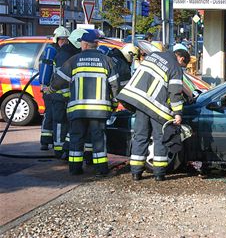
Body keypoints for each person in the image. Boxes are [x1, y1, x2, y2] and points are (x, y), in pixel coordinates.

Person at [49, 30, 119, 176]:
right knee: (98, 138)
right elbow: (115, 85)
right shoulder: (107, 61)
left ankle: (75, 169)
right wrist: (114, 103)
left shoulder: (74, 60)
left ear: (85, 45)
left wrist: (50, 88)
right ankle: (101, 169)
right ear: (96, 45)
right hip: (99, 110)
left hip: (78, 109)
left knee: (76, 138)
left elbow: (58, 81)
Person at [117, 49, 190, 182]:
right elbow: (175, 93)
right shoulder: (175, 67)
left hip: (139, 103)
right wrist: (178, 113)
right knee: (160, 139)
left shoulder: (153, 56)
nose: (182, 69)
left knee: (140, 137)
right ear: (181, 59)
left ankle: (136, 173)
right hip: (157, 108)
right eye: (183, 66)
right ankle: (159, 174)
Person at [49, 28, 82, 159]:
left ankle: (64, 148)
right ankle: (59, 149)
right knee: (59, 122)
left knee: (68, 123)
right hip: (60, 95)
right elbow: (60, 78)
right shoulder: (65, 54)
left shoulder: (69, 52)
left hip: (66, 96)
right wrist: (67, 95)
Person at [38, 26, 70, 151]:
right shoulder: (54, 51)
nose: (65, 42)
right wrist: (46, 86)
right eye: (64, 40)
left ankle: (46, 141)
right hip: (51, 89)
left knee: (50, 114)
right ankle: (47, 141)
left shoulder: (51, 50)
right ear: (59, 40)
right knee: (52, 115)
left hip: (50, 88)